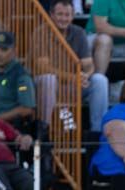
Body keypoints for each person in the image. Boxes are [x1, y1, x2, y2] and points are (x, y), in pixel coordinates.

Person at [37, 0, 109, 136]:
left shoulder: (78, 32)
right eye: (60, 14)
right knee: (49, 79)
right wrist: (73, 77)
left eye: (67, 15)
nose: (63, 18)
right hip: (49, 86)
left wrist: (86, 75)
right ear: (51, 15)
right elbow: (43, 68)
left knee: (100, 80)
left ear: (72, 16)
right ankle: (45, 128)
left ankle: (98, 132)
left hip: (74, 84)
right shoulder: (41, 32)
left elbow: (88, 64)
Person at [0, 32, 36, 134]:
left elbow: (27, 109)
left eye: (4, 50)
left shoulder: (20, 75)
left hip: (10, 131)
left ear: (14, 51)